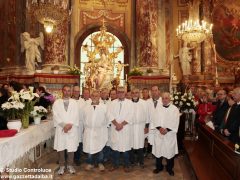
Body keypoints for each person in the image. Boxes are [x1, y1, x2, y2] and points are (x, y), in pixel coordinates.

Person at [53, 85, 80, 175]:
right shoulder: (57, 102)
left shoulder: (74, 102)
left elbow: (76, 115)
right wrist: (64, 125)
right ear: (62, 91)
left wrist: (69, 125)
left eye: (69, 91)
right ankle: (61, 166)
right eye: (65, 90)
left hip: (71, 128)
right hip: (61, 128)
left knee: (71, 148)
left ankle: (70, 165)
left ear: (71, 92)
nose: (67, 92)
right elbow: (55, 115)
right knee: (61, 148)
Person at [151, 92, 180, 176]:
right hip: (159, 133)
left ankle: (169, 168)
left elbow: (175, 121)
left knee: (169, 152)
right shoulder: (158, 108)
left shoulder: (174, 109)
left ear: (169, 99)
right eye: (163, 98)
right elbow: (154, 119)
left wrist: (167, 130)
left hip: (169, 134)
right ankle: (159, 167)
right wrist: (160, 128)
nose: (164, 100)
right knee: (158, 151)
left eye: (166, 98)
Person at [108, 86, 133, 172]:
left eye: (122, 92)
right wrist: (116, 124)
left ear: (125, 93)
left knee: (125, 149)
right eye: (119, 92)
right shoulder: (112, 103)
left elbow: (131, 115)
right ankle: (115, 164)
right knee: (115, 148)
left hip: (125, 129)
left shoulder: (130, 103)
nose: (120, 93)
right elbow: (109, 115)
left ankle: (126, 165)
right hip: (115, 128)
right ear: (117, 93)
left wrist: (121, 125)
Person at [82, 90, 108, 171]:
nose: (94, 97)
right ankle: (90, 163)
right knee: (90, 147)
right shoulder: (86, 107)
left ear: (99, 97)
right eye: (93, 95)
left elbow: (108, 119)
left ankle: (100, 163)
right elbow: (83, 119)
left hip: (100, 131)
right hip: (89, 131)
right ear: (91, 96)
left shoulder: (104, 107)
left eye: (96, 96)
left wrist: (102, 127)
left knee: (100, 148)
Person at [130, 88, 147, 168]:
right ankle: (132, 161)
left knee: (140, 145)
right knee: (131, 144)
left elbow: (148, 116)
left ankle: (141, 161)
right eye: (133, 93)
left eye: (136, 93)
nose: (135, 94)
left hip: (141, 126)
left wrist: (146, 126)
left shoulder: (144, 103)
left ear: (139, 94)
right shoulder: (128, 103)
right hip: (131, 126)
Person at [71, 85, 83, 166]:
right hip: (71, 125)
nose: (76, 93)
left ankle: (77, 158)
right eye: (75, 91)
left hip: (80, 125)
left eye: (78, 91)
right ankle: (68, 158)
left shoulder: (83, 101)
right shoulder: (69, 100)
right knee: (70, 142)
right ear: (72, 92)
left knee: (79, 142)